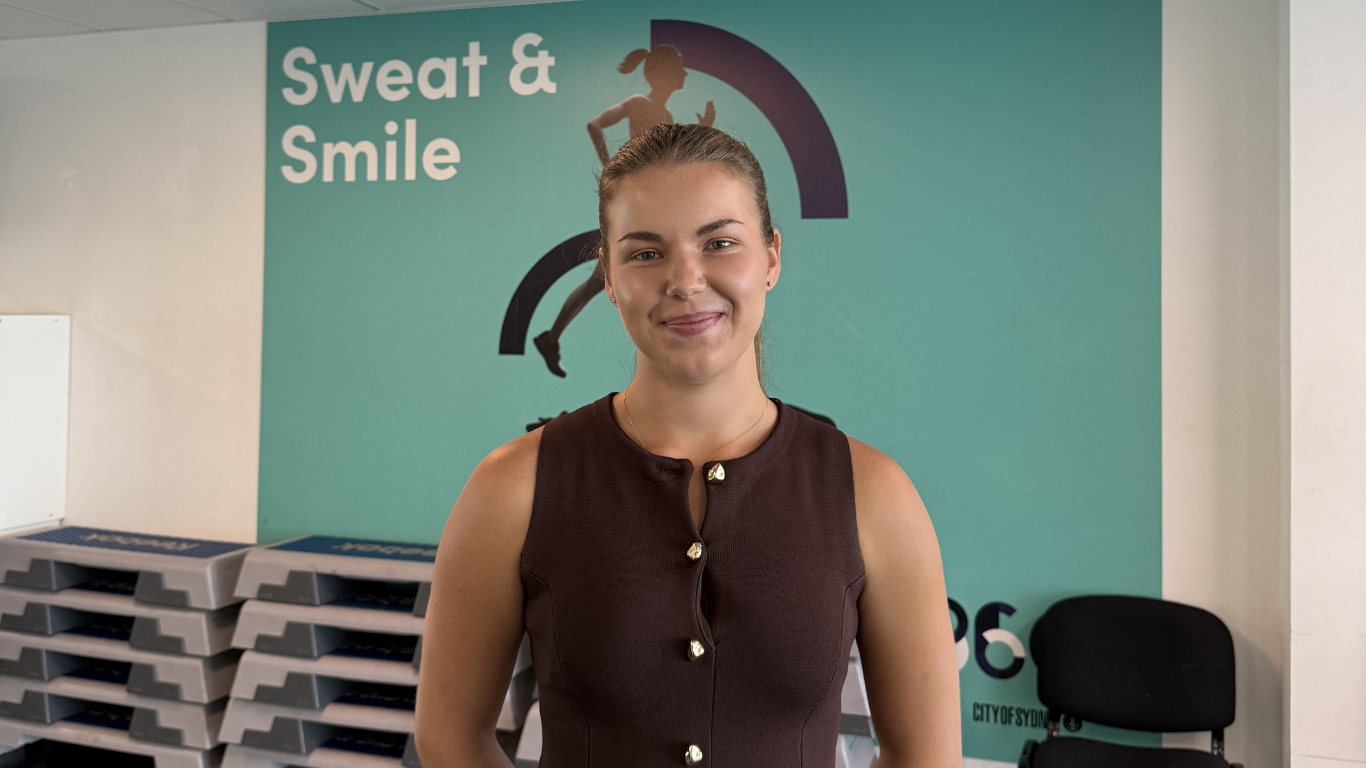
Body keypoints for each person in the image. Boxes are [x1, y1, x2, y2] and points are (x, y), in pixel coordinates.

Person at [415, 124, 962, 767]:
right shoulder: (512, 486)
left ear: (772, 257)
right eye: (645, 253)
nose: (685, 280)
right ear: (610, 277)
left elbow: (923, 760)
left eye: (720, 243)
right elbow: (449, 739)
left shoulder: (873, 493)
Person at [533, 45, 715, 378]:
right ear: (662, 73)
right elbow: (595, 124)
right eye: (679, 68)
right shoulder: (639, 105)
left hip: (652, 209)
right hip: (637, 209)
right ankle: (551, 337)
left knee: (597, 282)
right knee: (605, 280)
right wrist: (610, 169)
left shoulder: (663, 113)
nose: (685, 73)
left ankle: (551, 337)